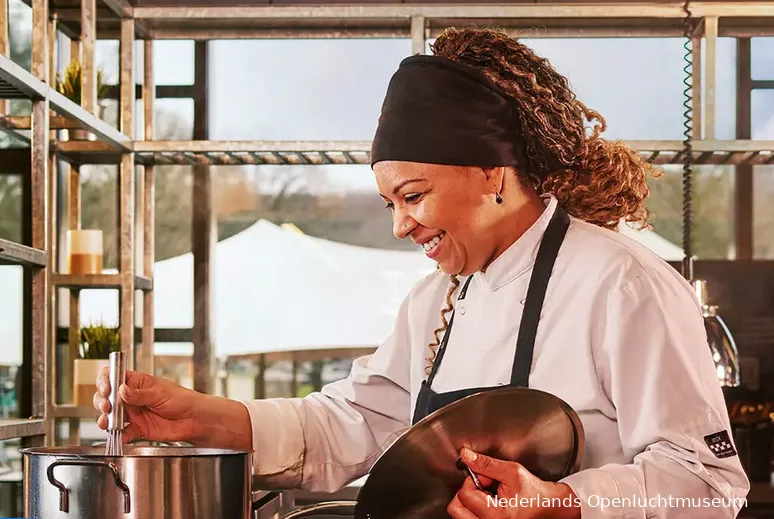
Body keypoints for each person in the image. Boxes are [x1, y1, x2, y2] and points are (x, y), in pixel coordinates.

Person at [94, 26, 750, 519]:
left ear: (493, 173)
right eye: (389, 203)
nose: (400, 225)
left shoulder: (621, 284)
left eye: (413, 195)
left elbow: (709, 487)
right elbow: (348, 425)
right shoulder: (437, 300)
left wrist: (563, 501)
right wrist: (198, 418)